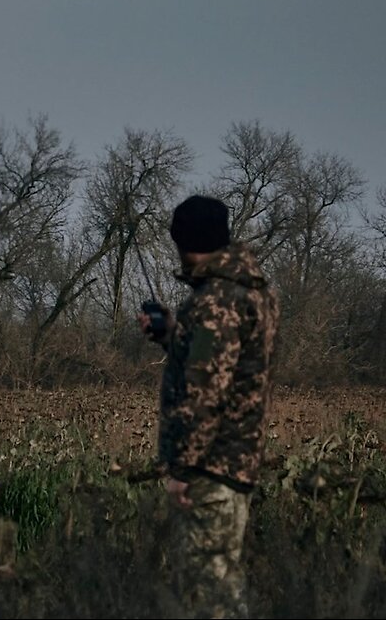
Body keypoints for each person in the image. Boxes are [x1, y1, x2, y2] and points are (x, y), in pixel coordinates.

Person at [138, 195, 279, 619]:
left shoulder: (215, 302)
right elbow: (226, 362)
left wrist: (183, 471)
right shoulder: (253, 292)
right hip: (237, 464)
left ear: (184, 241)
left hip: (211, 468)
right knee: (223, 585)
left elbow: (206, 394)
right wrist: (172, 334)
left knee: (208, 593)